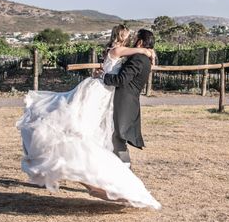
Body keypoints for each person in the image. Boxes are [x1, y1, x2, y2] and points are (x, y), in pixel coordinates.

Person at [17, 25, 161, 209]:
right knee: (91, 131)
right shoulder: (124, 51)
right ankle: (117, 175)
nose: (131, 40)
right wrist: (147, 51)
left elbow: (121, 76)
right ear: (122, 37)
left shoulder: (132, 55)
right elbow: (123, 66)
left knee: (104, 134)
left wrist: (105, 73)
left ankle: (116, 174)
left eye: (135, 38)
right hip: (102, 91)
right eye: (128, 36)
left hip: (108, 94)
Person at [97, 29, 155, 167]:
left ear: (140, 42)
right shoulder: (142, 57)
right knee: (114, 137)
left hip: (124, 103)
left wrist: (102, 76)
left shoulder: (138, 59)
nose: (132, 41)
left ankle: (125, 171)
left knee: (118, 138)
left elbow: (121, 80)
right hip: (126, 101)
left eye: (135, 38)